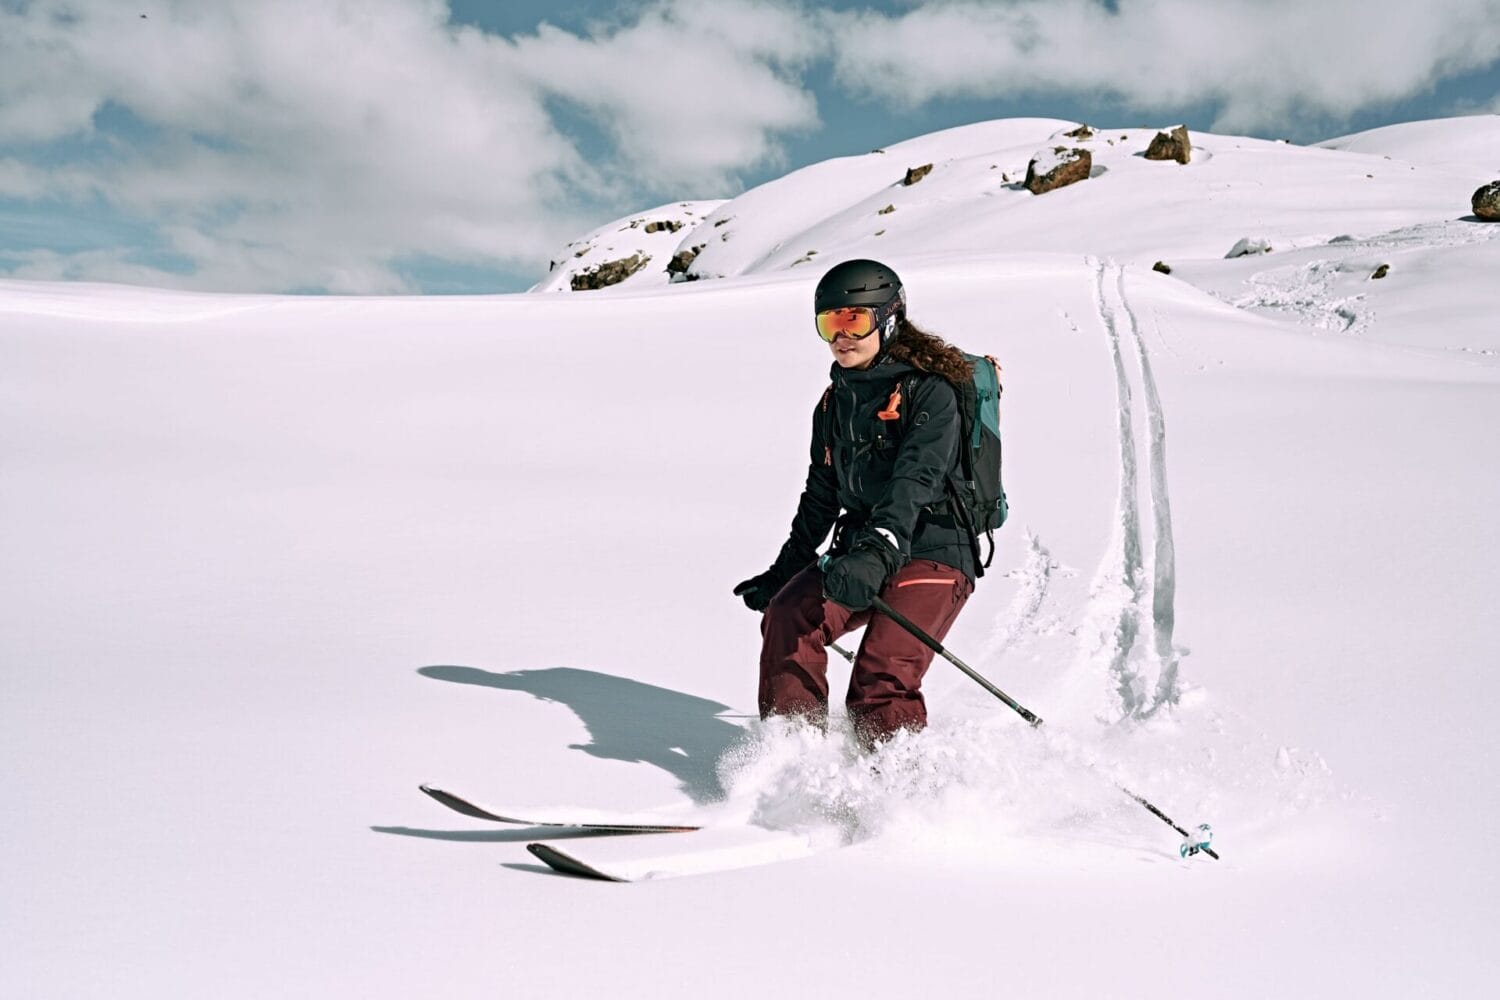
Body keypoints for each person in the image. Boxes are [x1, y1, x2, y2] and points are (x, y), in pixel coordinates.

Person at [734, 259, 979, 745]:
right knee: (788, 617)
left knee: (880, 675)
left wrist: (878, 550)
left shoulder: (930, 392)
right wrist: (785, 571)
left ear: (888, 319)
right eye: (829, 324)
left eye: (854, 320)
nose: (841, 336)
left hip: (934, 550)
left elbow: (915, 481)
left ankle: (898, 779)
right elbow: (820, 496)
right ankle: (796, 759)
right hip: (863, 549)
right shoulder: (834, 403)